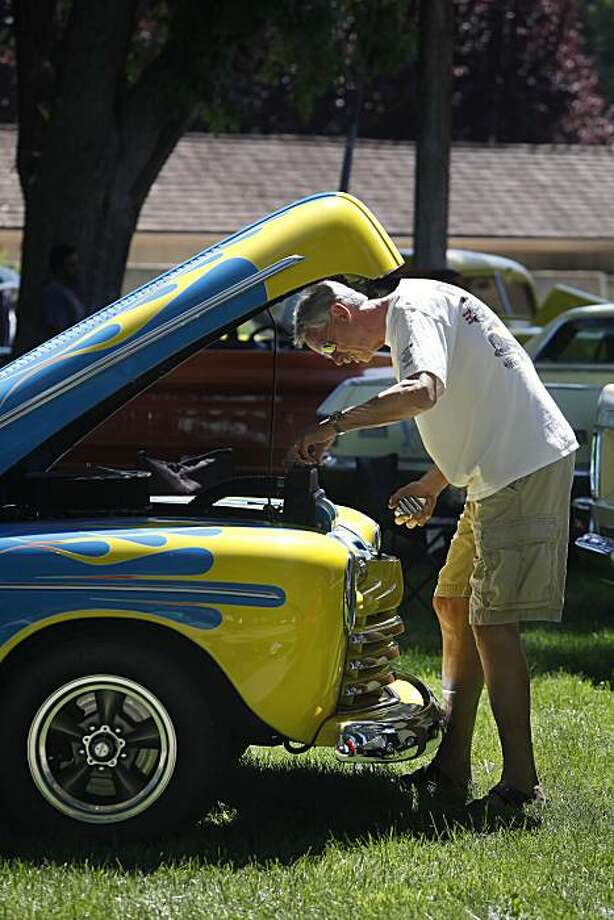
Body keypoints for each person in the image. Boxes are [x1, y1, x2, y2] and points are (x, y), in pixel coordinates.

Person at [291, 278, 577, 819]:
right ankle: (453, 765)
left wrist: (335, 424)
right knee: (452, 604)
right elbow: (479, 403)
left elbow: (425, 392)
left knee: (492, 622)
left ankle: (520, 786)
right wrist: (431, 484)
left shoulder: (411, 312)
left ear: (341, 312)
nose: (335, 360)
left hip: (521, 468)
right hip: (494, 471)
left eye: (327, 344)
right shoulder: (421, 307)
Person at [41, 244, 86, 339]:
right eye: (71, 265)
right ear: (59, 267)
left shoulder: (68, 292)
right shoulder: (53, 293)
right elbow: (56, 328)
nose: (76, 270)